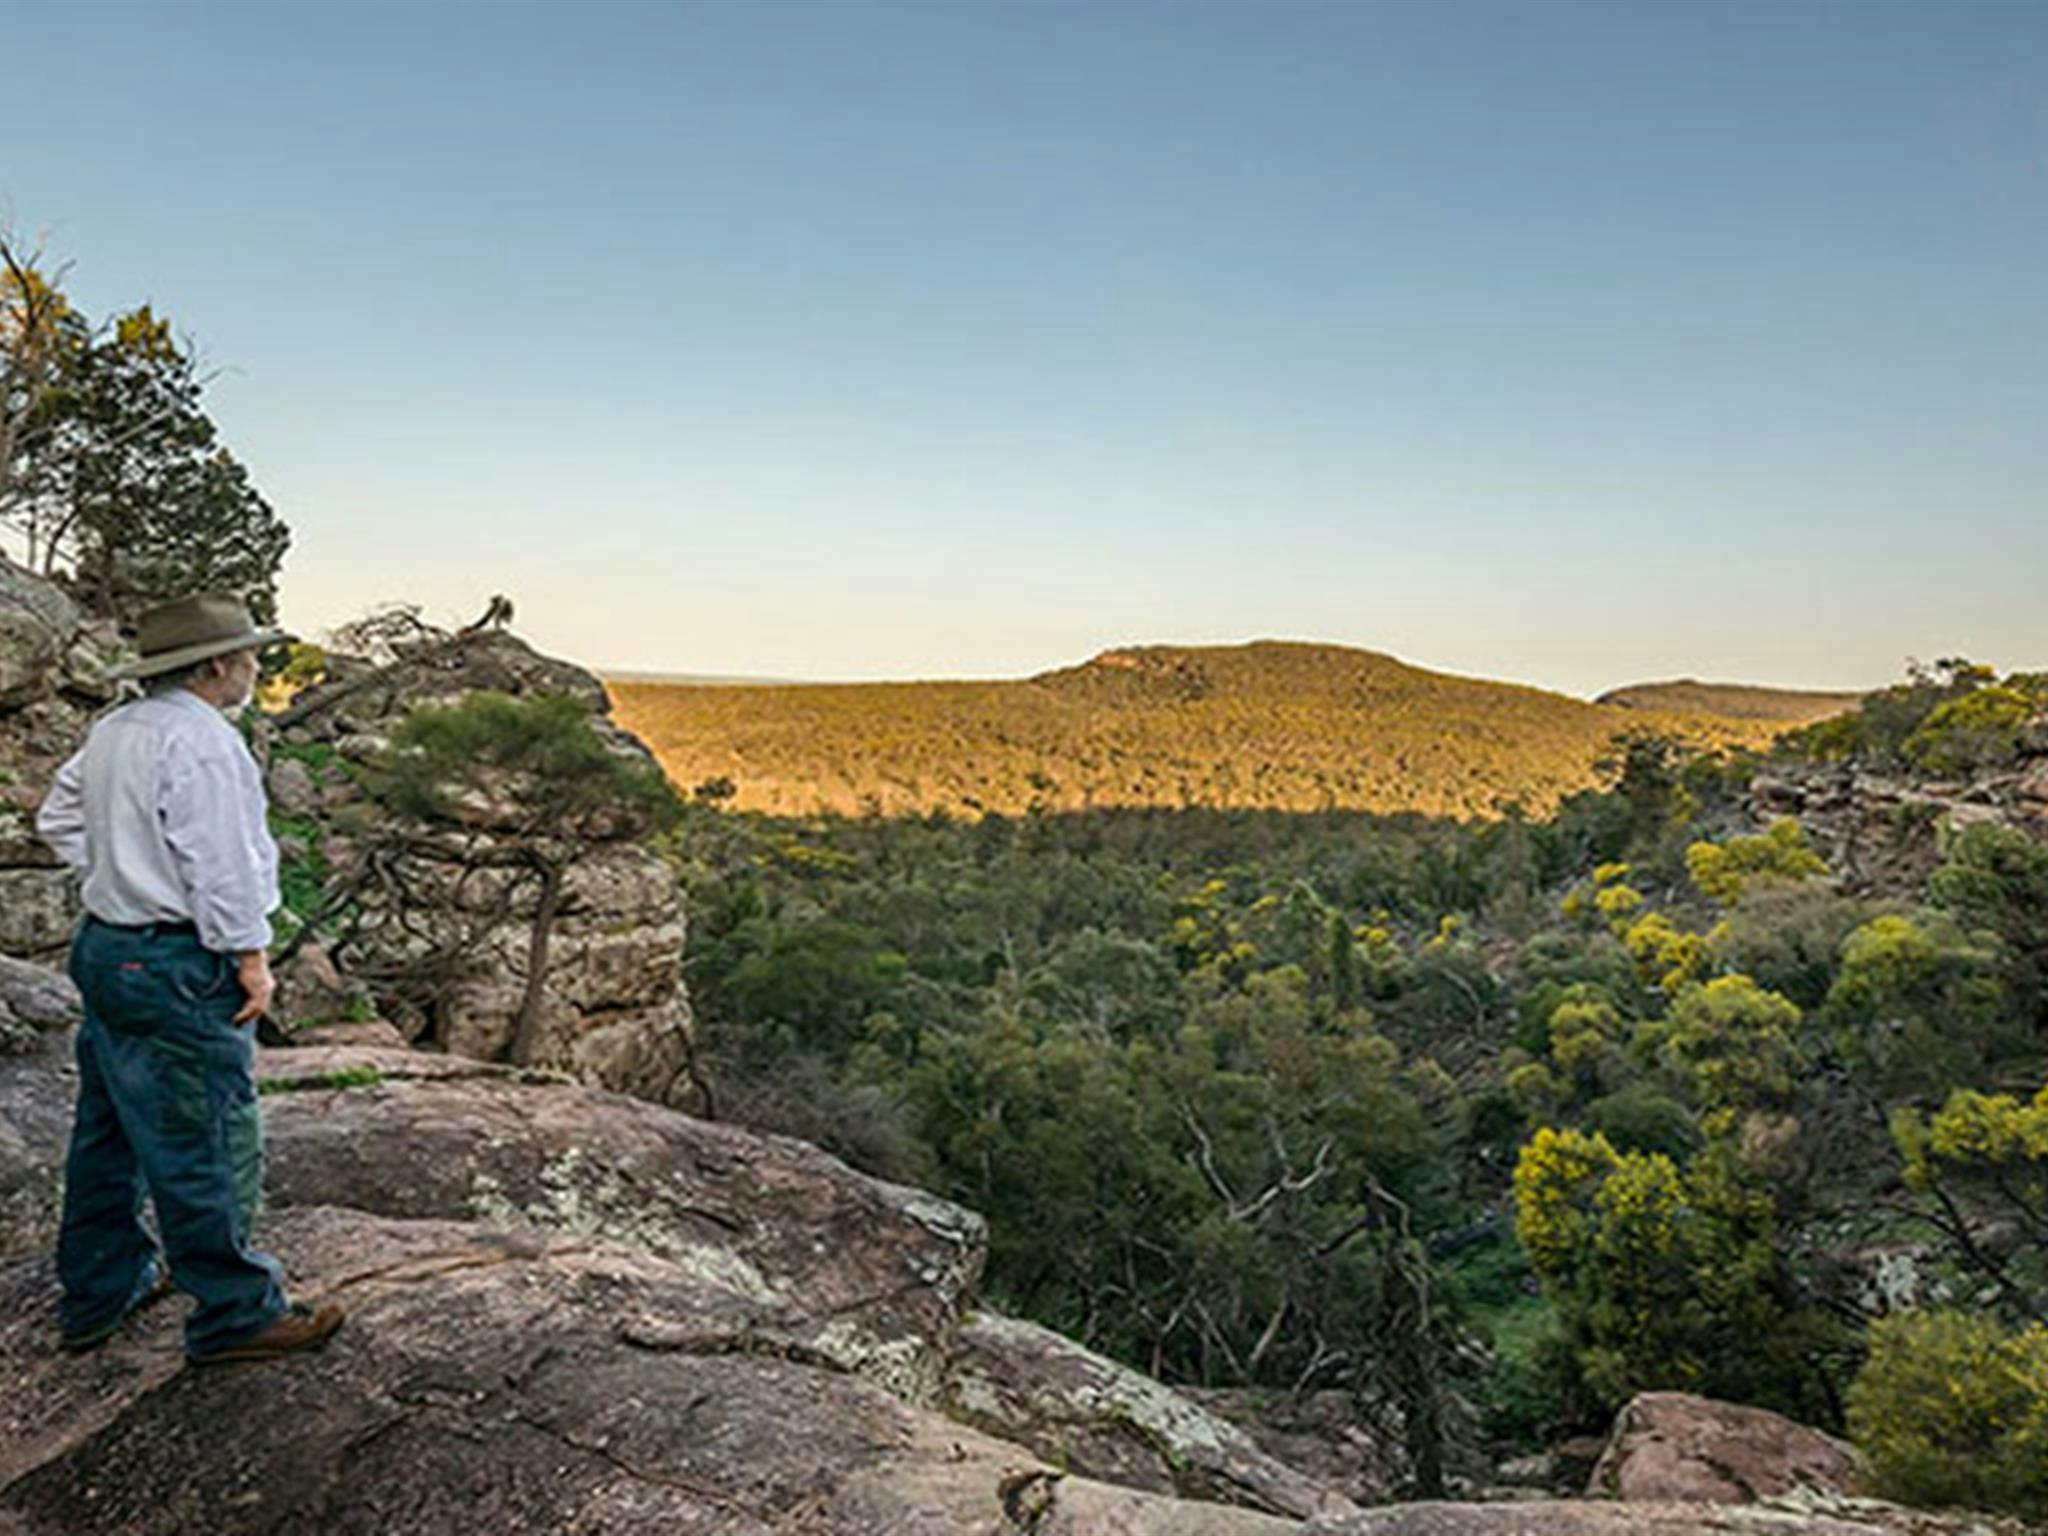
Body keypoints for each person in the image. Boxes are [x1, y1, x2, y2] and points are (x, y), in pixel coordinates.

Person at [35, 592, 345, 1364]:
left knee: (108, 1128)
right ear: (215, 665)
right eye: (247, 654)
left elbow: (59, 817)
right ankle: (236, 1313)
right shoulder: (204, 742)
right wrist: (250, 957)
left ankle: (99, 1291)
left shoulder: (116, 730)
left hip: (109, 947)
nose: (254, 665)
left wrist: (120, 876)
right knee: (205, 1131)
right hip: (177, 961)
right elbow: (226, 866)